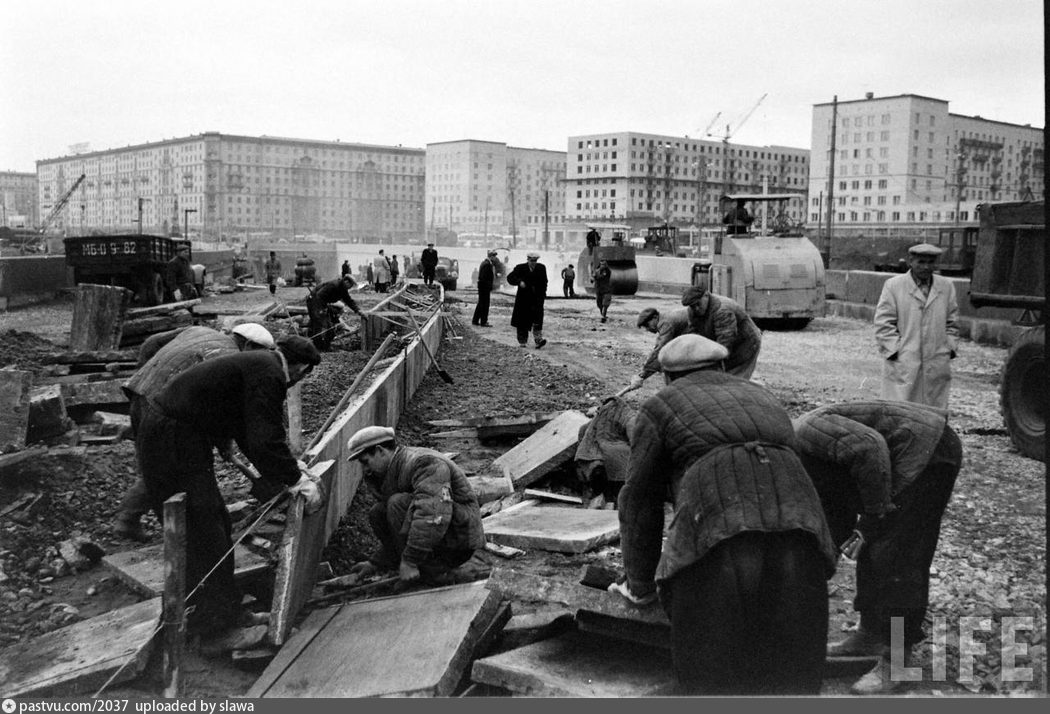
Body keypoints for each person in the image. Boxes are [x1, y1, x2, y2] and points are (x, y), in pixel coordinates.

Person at [611, 334, 837, 695]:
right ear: (722, 367)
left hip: (718, 530)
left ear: (669, 377)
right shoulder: (763, 396)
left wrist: (639, 584)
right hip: (801, 526)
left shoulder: (659, 406)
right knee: (792, 675)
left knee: (710, 677)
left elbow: (639, 499)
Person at [135, 336, 323, 633]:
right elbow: (264, 437)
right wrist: (295, 479)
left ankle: (215, 611)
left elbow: (246, 430)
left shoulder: (261, 364)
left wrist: (286, 466)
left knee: (213, 523)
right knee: (205, 526)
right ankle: (212, 621)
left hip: (176, 433)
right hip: (172, 437)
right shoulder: (271, 373)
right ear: (303, 369)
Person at [793, 400, 962, 694]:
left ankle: (897, 663)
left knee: (898, 559)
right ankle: (870, 635)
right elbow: (836, 511)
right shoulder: (804, 459)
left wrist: (871, 518)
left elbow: (869, 448)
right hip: (897, 459)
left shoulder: (808, 432)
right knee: (871, 548)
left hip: (928, 452)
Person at [115, 323, 276, 541]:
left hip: (140, 394)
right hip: (166, 412)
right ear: (248, 345)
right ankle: (184, 533)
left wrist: (146, 372)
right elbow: (222, 408)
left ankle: (129, 519)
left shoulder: (200, 331)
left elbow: (151, 343)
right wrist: (225, 442)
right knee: (173, 467)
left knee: (154, 464)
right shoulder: (228, 357)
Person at [345, 426, 485, 586]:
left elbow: (434, 514)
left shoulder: (424, 463)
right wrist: (376, 563)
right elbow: (395, 530)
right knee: (378, 512)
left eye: (365, 462)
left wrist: (410, 561)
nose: (365, 469)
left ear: (380, 451)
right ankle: (413, 566)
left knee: (396, 504)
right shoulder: (394, 467)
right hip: (441, 534)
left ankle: (434, 573)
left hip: (459, 542)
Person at [624, 285, 761, 394]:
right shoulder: (693, 311)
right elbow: (695, 337)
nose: (695, 308)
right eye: (692, 306)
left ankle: (743, 403)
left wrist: (643, 374)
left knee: (730, 380)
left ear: (706, 296)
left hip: (745, 343)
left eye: (697, 304)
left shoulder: (722, 310)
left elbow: (725, 344)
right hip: (725, 342)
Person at [873, 243, 960, 409]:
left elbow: (953, 322)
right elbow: (883, 322)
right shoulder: (894, 285)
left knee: (933, 414)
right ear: (910, 261)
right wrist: (895, 351)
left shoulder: (946, 286)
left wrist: (949, 347)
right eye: (921, 262)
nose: (926, 267)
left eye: (930, 262)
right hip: (904, 361)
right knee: (900, 413)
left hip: (936, 360)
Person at [307, 275, 364, 350]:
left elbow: (349, 301)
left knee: (329, 325)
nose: (351, 287)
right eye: (351, 285)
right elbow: (319, 296)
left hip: (321, 303)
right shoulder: (333, 285)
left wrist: (358, 311)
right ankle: (317, 346)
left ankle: (324, 345)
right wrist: (322, 309)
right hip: (314, 302)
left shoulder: (342, 289)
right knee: (319, 323)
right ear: (346, 282)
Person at [506, 252, 548, 348]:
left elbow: (545, 282)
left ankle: (538, 340)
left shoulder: (541, 268)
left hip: (537, 299)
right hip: (524, 300)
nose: (533, 263)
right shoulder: (520, 268)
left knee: (537, 320)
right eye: (532, 261)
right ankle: (522, 341)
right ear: (528, 260)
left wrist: (543, 295)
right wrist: (519, 282)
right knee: (522, 320)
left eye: (535, 261)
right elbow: (509, 278)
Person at [472, 249, 496, 327]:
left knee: (481, 304)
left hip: (483, 287)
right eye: (494, 256)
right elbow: (484, 277)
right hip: (484, 287)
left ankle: (475, 320)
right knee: (485, 304)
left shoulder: (485, 263)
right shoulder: (487, 264)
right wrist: (488, 286)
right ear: (491, 256)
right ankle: (483, 321)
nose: (495, 257)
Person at [593, 258, 613, 323]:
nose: (603, 266)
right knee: (599, 304)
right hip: (599, 290)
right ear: (600, 264)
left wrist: (596, 278)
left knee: (605, 304)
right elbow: (593, 277)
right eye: (602, 264)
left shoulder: (607, 271)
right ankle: (602, 314)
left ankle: (603, 316)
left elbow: (602, 276)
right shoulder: (596, 271)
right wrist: (593, 278)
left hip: (607, 290)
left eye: (604, 264)